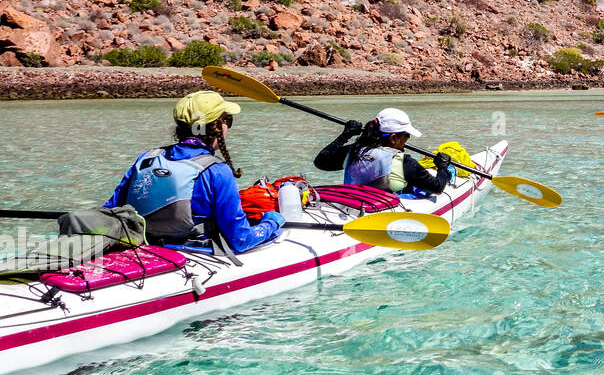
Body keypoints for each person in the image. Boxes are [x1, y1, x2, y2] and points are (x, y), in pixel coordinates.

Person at [103, 91, 283, 252]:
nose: (228, 125)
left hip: (144, 245)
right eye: (227, 120)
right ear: (218, 127)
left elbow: (110, 209)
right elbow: (241, 240)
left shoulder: (147, 158)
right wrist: (271, 221)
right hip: (194, 252)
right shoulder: (218, 171)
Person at [314, 108, 452, 196]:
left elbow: (320, 162)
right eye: (406, 135)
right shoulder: (405, 162)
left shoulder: (354, 151)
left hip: (353, 205)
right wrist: (442, 167)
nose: (408, 138)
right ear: (393, 138)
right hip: (383, 211)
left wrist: (345, 135)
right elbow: (437, 187)